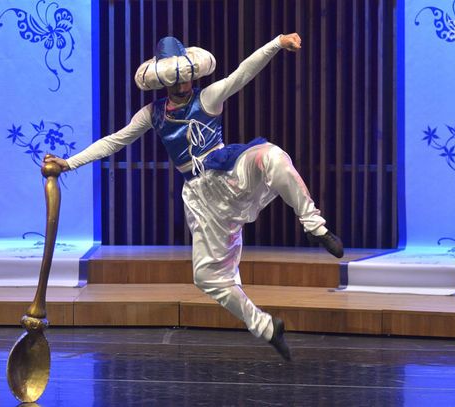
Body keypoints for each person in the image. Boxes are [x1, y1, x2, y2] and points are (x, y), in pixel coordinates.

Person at [45, 32, 343, 361]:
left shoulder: (208, 98)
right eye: (175, 79)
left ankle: (314, 225)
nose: (182, 85)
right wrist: (69, 163)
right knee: (206, 278)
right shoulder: (153, 114)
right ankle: (265, 327)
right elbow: (115, 141)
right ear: (164, 81)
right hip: (203, 199)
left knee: (272, 156)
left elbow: (243, 73)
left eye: (186, 77)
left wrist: (276, 43)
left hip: (230, 171)